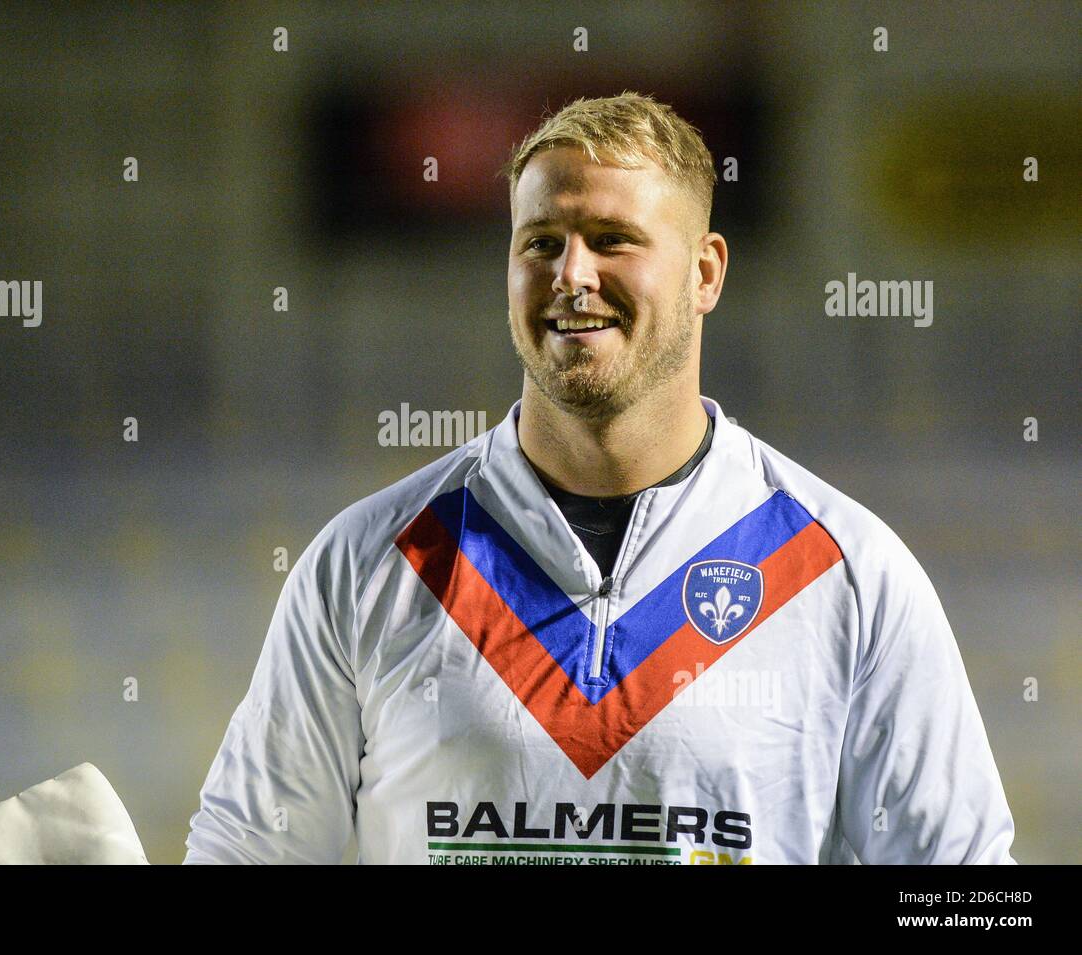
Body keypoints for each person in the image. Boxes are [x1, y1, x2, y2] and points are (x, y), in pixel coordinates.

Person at [184, 92, 1016, 864]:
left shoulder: (846, 574)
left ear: (705, 273)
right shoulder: (368, 564)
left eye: (612, 239)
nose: (570, 274)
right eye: (540, 242)